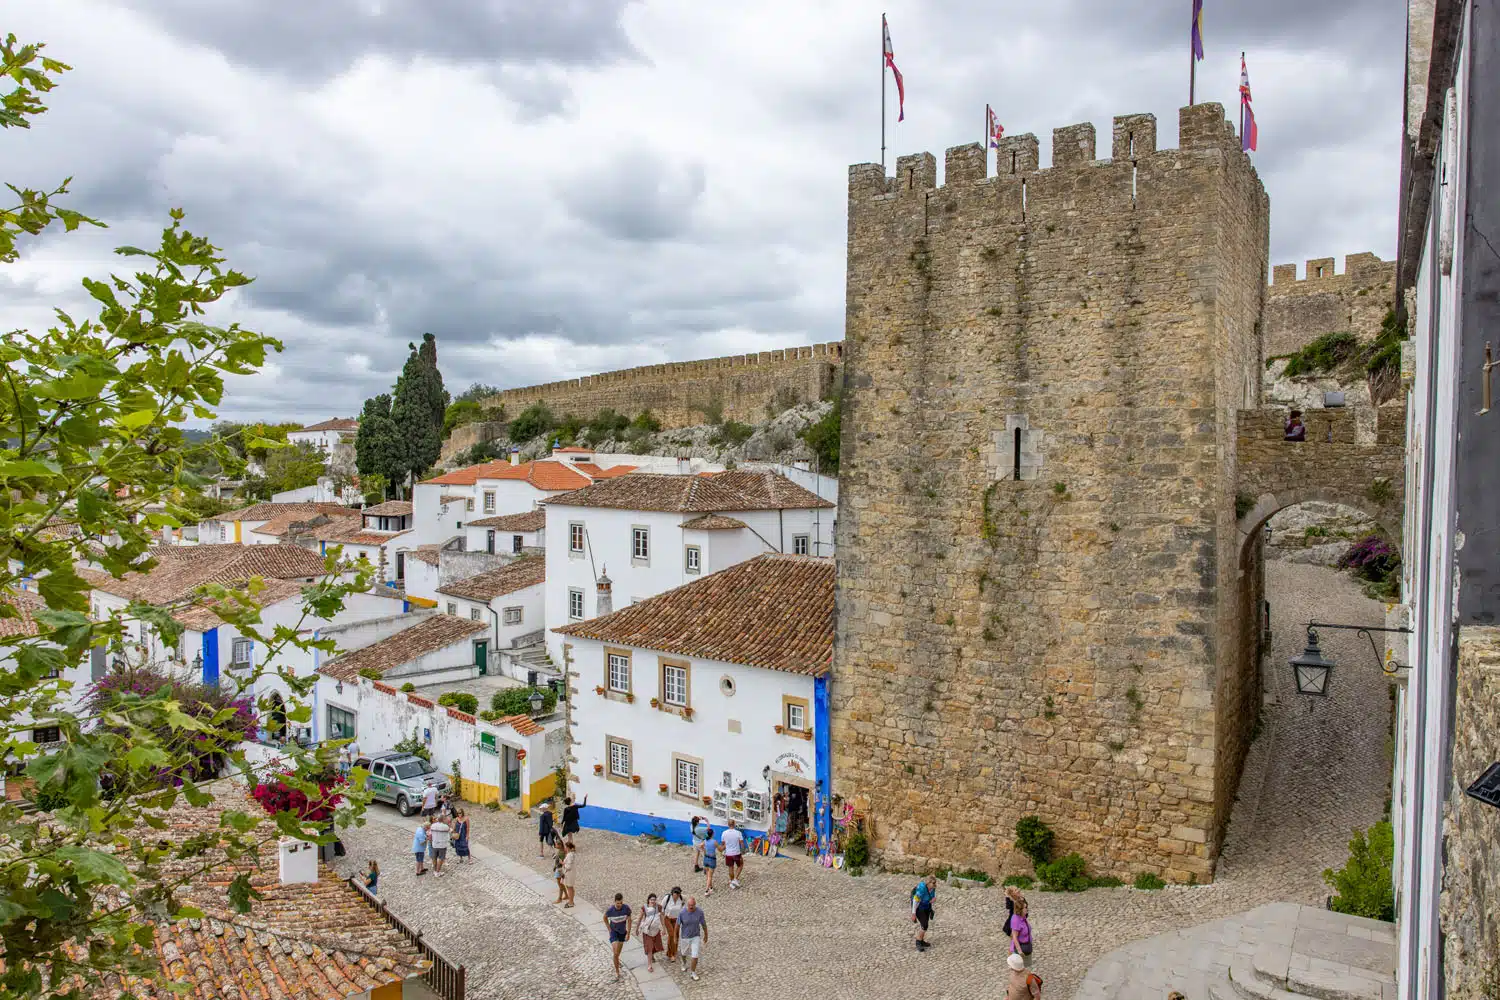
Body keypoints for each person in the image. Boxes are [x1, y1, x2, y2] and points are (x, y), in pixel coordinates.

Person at [676, 895, 708, 982]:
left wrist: (706, 935)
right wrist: (676, 937)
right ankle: (684, 962)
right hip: (685, 937)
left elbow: (703, 924)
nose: (691, 907)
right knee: (684, 953)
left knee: (695, 955)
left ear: (695, 904)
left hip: (695, 936)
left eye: (692, 905)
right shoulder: (682, 913)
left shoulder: (699, 912)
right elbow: (677, 925)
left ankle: (693, 972)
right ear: (687, 905)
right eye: (689, 905)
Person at [604, 892, 632, 979]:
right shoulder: (610, 910)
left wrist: (628, 933)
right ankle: (617, 972)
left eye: (621, 903)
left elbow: (630, 920)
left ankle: (617, 961)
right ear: (614, 902)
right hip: (614, 932)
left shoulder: (626, 908)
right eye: (617, 903)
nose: (619, 905)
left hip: (622, 932)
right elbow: (604, 917)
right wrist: (609, 928)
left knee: (618, 953)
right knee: (615, 953)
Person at [638, 892, 665, 973]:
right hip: (648, 931)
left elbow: (662, 917)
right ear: (648, 900)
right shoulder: (644, 908)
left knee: (655, 945)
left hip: (656, 930)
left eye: (654, 899)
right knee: (649, 947)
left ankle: (652, 955)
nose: (653, 901)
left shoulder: (659, 907)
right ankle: (649, 965)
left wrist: (664, 928)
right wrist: (637, 929)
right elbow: (640, 918)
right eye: (651, 899)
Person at [911, 874, 936, 951]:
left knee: (925, 925)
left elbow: (931, 897)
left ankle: (921, 941)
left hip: (927, 907)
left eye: (935, 882)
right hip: (919, 908)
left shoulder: (932, 888)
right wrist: (913, 913)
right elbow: (915, 900)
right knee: (924, 925)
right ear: (928, 883)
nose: (935, 884)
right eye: (933, 883)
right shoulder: (922, 889)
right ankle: (918, 941)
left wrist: (932, 900)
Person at [720, 818, 745, 889]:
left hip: (728, 854)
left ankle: (732, 881)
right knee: (740, 865)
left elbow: (723, 843)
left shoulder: (724, 833)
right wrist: (743, 851)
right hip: (737, 853)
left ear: (728, 825)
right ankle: (735, 879)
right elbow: (742, 843)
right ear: (734, 824)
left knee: (730, 868)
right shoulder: (738, 833)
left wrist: (723, 850)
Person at [662, 885, 685, 960]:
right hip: (667, 918)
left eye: (678, 894)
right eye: (676, 893)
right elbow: (662, 908)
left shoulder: (681, 898)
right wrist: (663, 925)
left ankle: (672, 951)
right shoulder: (667, 898)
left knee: (676, 935)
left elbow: (683, 907)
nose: (677, 895)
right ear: (672, 893)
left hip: (676, 919)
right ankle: (671, 954)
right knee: (671, 935)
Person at [700, 827, 718, 895]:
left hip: (706, 858)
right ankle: (706, 891)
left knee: (708, 875)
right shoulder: (714, 841)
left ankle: (711, 887)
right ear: (713, 834)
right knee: (710, 876)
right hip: (712, 859)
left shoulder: (705, 840)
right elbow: (719, 849)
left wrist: (704, 851)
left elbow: (700, 845)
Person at [559, 840, 577, 907]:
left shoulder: (569, 855)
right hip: (570, 873)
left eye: (566, 847)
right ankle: (571, 901)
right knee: (570, 887)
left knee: (569, 887)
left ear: (568, 848)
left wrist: (563, 863)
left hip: (569, 873)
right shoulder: (572, 854)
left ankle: (571, 902)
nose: (565, 848)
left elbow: (568, 866)